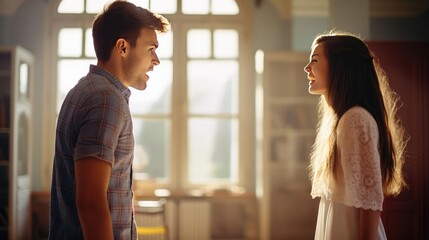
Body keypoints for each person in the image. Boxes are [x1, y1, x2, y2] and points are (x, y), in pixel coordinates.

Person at [49, 1, 170, 239]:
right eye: (151, 48)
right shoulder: (106, 100)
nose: (156, 60)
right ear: (122, 47)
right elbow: (91, 202)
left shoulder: (86, 90)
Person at [304, 30, 407, 240]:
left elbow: (369, 201)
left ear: (340, 66)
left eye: (314, 60)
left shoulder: (355, 119)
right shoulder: (342, 119)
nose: (307, 68)